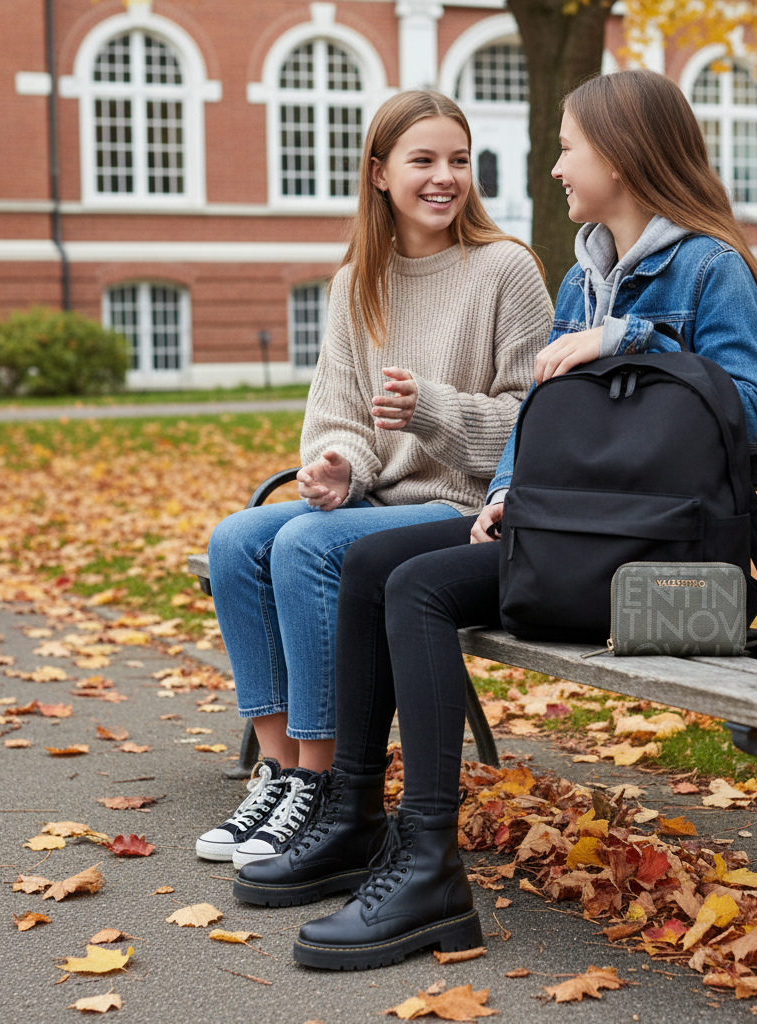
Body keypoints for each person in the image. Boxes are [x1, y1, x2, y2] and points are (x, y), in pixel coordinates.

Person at [231, 68, 757, 969]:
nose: (555, 168)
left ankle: (428, 867)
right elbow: (538, 419)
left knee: (413, 588)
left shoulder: (707, 268)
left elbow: (751, 412)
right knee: (372, 569)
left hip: (669, 576)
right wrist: (501, 497)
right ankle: (355, 818)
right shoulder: (582, 276)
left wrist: (629, 340)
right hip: (572, 539)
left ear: (621, 156)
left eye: (568, 148)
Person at [195, 90, 553, 868]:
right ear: (380, 173)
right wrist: (340, 466)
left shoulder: (505, 269)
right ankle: (279, 771)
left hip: (466, 509)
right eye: (424, 160)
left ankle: (322, 786)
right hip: (380, 504)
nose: (445, 177)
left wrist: (431, 410)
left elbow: (534, 426)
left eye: (458, 160)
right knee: (236, 539)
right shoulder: (358, 281)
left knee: (304, 546)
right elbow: (339, 417)